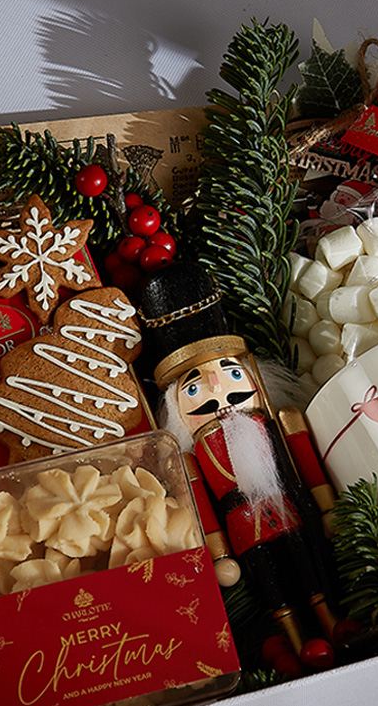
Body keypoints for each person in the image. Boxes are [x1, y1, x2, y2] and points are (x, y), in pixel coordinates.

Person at [138, 261, 339, 670]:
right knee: (270, 588)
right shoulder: (190, 458)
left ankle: (331, 621)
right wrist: (218, 553)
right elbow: (203, 507)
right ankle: (295, 639)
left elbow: (308, 468)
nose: (218, 390)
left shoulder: (279, 423)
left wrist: (329, 508)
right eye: (194, 387)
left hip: (292, 510)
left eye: (231, 373)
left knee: (310, 568)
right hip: (243, 529)